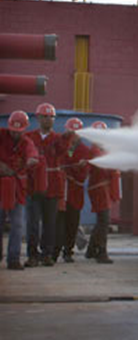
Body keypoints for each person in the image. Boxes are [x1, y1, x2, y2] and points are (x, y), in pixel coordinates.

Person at [25, 103, 68, 267]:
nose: (49, 120)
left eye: (51, 117)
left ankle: (47, 254)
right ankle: (32, 255)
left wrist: (68, 140)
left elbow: (65, 154)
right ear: (38, 118)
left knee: (50, 224)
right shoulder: (29, 137)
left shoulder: (58, 139)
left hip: (53, 187)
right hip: (34, 186)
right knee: (33, 224)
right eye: (45, 116)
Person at [0, 111, 39, 270]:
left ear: (24, 130)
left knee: (17, 224)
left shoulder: (27, 143)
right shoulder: (1, 135)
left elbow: (32, 153)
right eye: (13, 130)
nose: (15, 133)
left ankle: (14, 259)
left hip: (17, 189)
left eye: (19, 131)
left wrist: (32, 159)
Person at [55, 117, 90, 263]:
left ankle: (68, 251)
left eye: (76, 133)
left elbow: (83, 176)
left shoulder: (84, 151)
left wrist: (76, 168)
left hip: (75, 193)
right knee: (58, 224)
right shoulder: (61, 147)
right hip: (61, 193)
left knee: (72, 224)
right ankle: (54, 251)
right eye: (71, 132)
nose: (73, 136)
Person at [86, 121, 120, 264]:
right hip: (99, 190)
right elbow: (103, 168)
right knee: (104, 221)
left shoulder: (103, 150)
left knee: (101, 221)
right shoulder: (94, 151)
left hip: (102, 189)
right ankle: (101, 252)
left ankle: (91, 250)